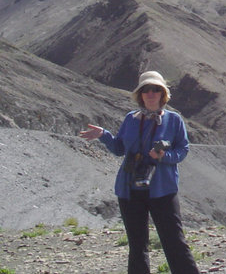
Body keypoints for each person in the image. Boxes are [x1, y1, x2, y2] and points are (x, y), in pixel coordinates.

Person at [80, 71, 200, 274]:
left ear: (163, 94)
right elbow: (119, 148)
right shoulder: (131, 119)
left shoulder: (174, 120)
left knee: (174, 242)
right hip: (130, 189)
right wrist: (103, 135)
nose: (151, 93)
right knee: (137, 246)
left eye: (155, 90)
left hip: (162, 190)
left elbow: (183, 150)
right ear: (140, 95)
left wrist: (163, 157)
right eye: (146, 90)